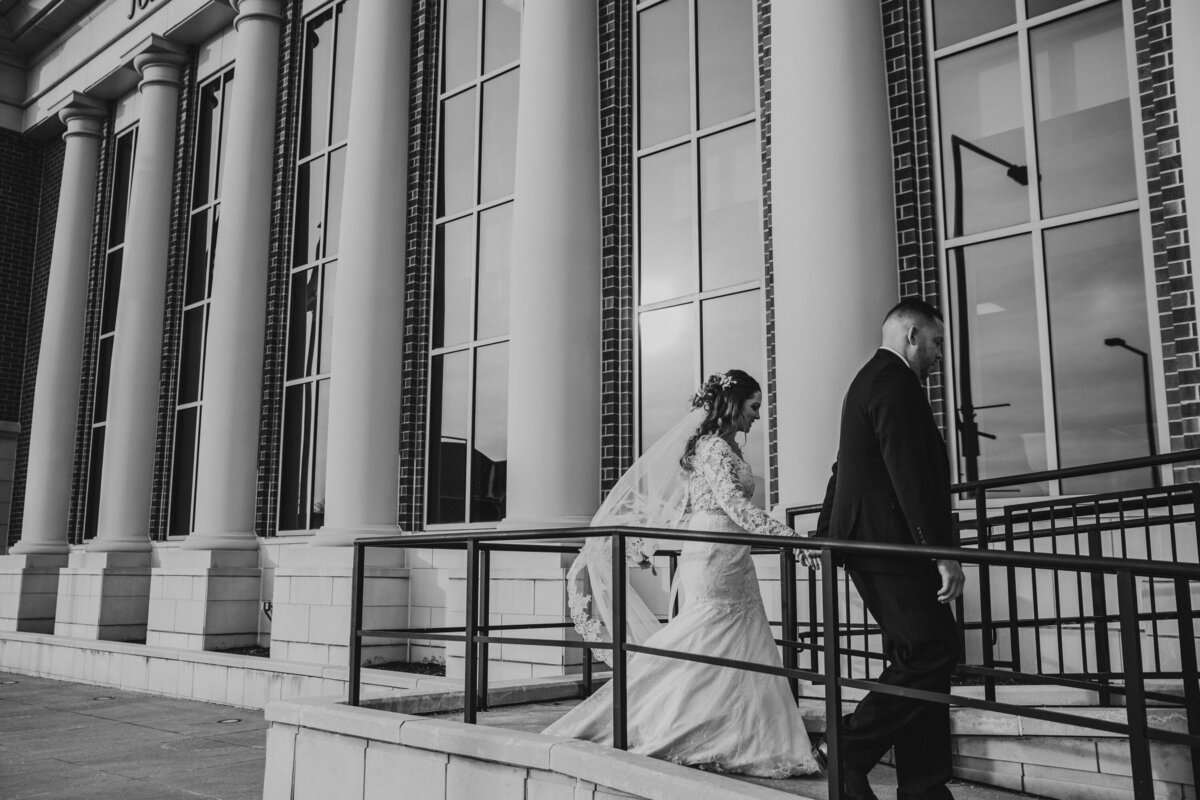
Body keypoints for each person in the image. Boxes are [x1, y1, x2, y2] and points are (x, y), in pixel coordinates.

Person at [544, 369, 821, 778]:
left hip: (734, 557)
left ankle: (742, 735)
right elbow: (736, 507)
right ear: (731, 404)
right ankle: (656, 719)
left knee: (740, 645)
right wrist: (793, 542)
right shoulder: (711, 447)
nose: (758, 417)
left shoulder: (728, 449)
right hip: (713, 557)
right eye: (754, 407)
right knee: (703, 636)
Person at [815, 298, 966, 800]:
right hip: (887, 544)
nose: (941, 355)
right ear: (911, 335)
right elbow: (910, 474)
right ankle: (848, 747)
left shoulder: (870, 380)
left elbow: (845, 466)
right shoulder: (893, 382)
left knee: (919, 651)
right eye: (937, 342)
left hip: (873, 540)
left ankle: (923, 783)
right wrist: (941, 552)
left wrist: (825, 533)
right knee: (933, 647)